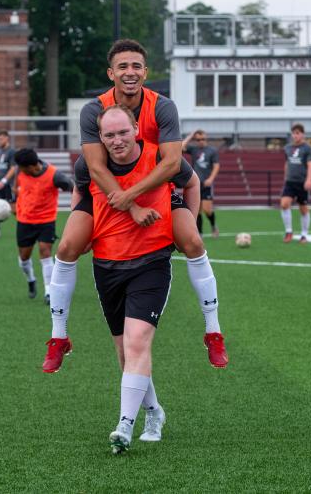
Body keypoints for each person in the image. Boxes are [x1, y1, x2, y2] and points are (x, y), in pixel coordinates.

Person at [43, 39, 228, 373]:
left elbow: (173, 166)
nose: (130, 72)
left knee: (194, 242)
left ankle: (213, 330)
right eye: (123, 66)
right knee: (68, 245)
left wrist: (140, 200)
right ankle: (59, 336)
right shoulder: (93, 110)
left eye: (136, 66)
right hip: (106, 192)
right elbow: (95, 170)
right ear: (111, 73)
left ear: (146, 72)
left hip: (154, 190)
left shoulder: (162, 107)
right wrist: (126, 205)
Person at [83, 105, 173, 453]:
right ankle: (153, 410)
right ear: (101, 138)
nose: (117, 140)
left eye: (123, 132)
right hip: (106, 264)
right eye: (109, 135)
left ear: (136, 127)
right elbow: (80, 201)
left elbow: (190, 181)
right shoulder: (89, 166)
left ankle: (125, 425)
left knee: (137, 342)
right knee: (124, 351)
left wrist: (188, 232)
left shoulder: (160, 157)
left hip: (151, 261)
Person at [14, 149, 73, 304]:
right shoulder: (20, 172)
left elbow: (72, 187)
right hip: (24, 220)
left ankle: (49, 292)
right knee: (24, 257)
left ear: (32, 167)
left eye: (22, 167)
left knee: (45, 251)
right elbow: (16, 187)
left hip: (46, 220)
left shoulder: (55, 175)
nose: (19, 170)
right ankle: (31, 279)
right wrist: (14, 202)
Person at [280, 123, 311, 244]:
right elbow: (287, 163)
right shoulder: (287, 148)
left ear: (302, 134)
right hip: (290, 182)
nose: (295, 136)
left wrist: (309, 180)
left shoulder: (307, 148)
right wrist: (285, 177)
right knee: (284, 204)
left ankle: (304, 235)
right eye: (293, 133)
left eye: (297, 133)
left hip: (302, 182)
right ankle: (288, 231)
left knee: (303, 209)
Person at [182, 130, 220, 237]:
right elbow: (180, 147)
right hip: (196, 184)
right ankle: (200, 233)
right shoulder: (193, 149)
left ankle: (213, 226)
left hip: (206, 184)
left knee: (207, 210)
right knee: (197, 210)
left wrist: (211, 179)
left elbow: (216, 166)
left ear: (206, 138)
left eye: (203, 139)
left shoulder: (212, 150)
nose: (201, 141)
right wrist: (190, 136)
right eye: (198, 139)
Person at [0, 130, 16, 239]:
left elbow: (13, 168)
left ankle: (26, 227)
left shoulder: (11, 151)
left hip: (9, 186)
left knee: (14, 209)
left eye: (1, 139)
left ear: (7, 138)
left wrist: (3, 181)